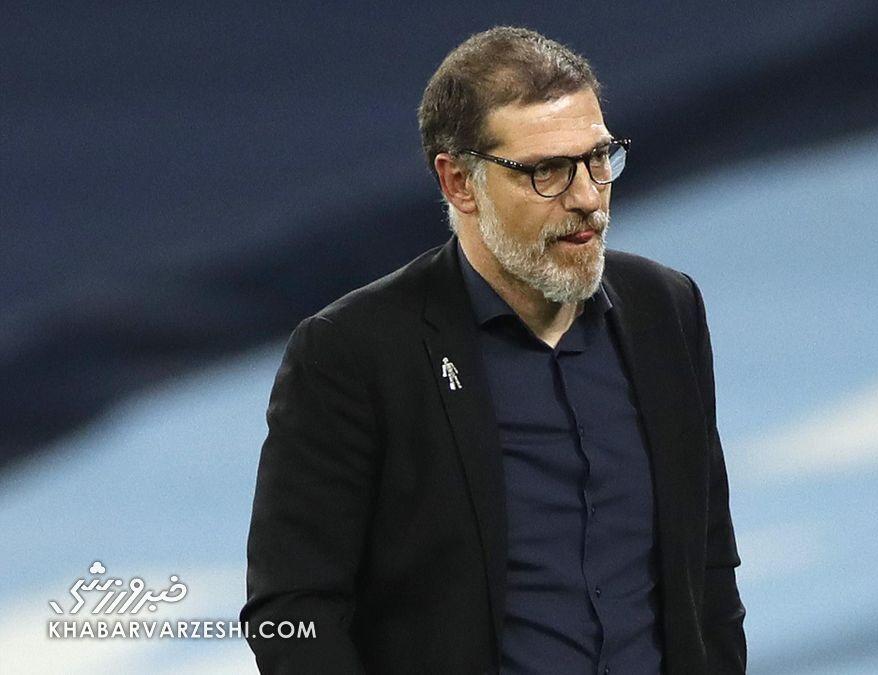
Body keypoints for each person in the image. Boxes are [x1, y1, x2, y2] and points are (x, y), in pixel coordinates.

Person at [241, 26, 746, 674]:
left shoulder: (665, 310)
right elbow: (292, 610)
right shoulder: (353, 354)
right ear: (459, 182)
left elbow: (708, 561)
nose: (587, 197)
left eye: (598, 158)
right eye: (546, 171)